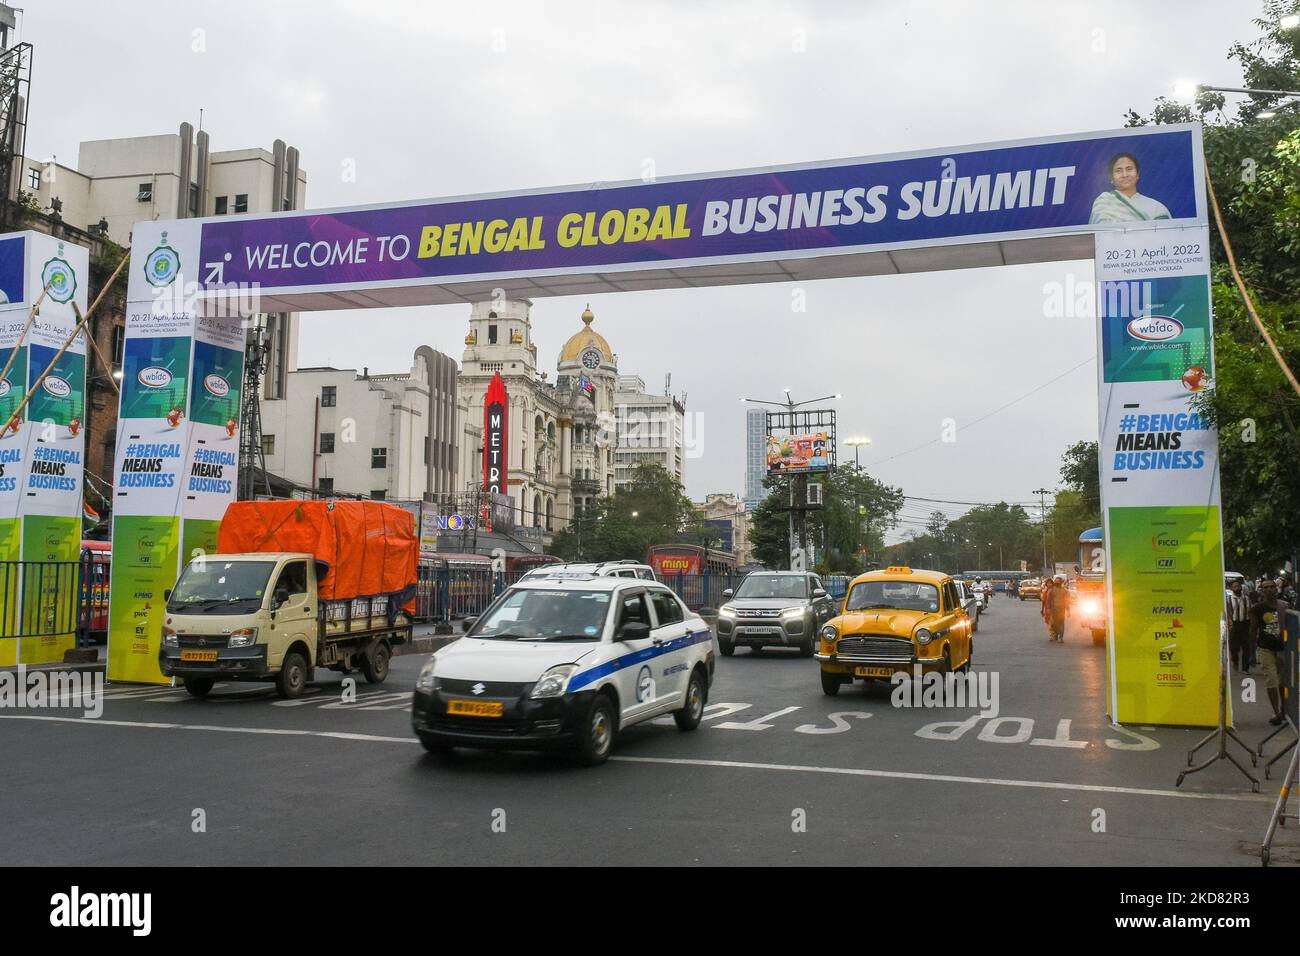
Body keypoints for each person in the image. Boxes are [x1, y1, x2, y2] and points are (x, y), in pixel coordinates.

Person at [1088, 152, 1172, 224]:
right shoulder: (1104, 202)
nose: (1125, 174)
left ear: (1138, 175)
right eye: (1118, 170)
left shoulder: (1156, 208)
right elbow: (1099, 237)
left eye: (1129, 169)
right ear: (1111, 179)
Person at [1250, 579, 1289, 726]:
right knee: (1271, 680)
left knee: (1283, 682)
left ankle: (1284, 709)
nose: (1269, 589)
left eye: (1272, 586)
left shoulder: (1284, 606)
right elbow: (1253, 630)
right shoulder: (1257, 608)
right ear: (1262, 590)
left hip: (1283, 649)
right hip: (1266, 649)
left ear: (1276, 588)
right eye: (1266, 587)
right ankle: (1277, 713)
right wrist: (1251, 653)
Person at [1226, 578, 1252, 673]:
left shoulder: (1247, 598)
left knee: (1246, 647)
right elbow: (1228, 612)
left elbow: (1250, 611)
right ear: (1232, 588)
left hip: (1245, 624)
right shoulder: (1229, 599)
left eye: (1238, 586)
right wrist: (1230, 622)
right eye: (1235, 586)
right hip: (1234, 624)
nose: (1237, 588)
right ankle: (1235, 661)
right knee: (1234, 647)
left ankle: (1245, 668)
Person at [1047, 574, 1070, 642]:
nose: (1057, 582)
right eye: (1056, 581)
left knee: (1061, 623)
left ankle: (1061, 637)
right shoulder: (1051, 590)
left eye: (1058, 581)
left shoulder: (1065, 591)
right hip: (1053, 610)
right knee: (1053, 623)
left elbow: (1067, 601)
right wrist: (1048, 608)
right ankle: (1055, 635)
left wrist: (1068, 611)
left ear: (1061, 582)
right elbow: (1048, 600)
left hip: (1061, 610)